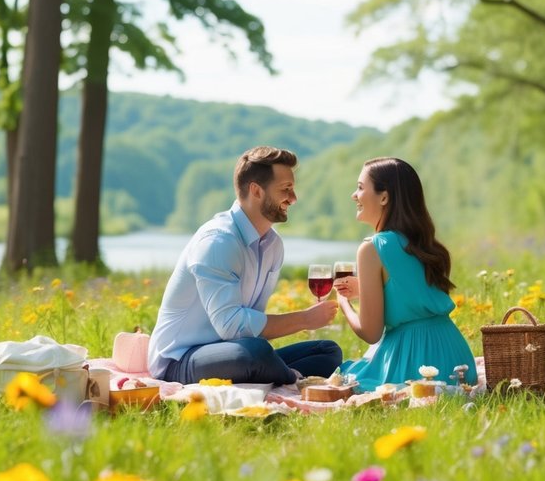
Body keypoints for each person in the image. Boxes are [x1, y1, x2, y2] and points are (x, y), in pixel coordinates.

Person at [148, 146, 343, 385]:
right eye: (286, 189)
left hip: (232, 351)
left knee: (327, 351)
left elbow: (252, 323)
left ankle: (273, 376)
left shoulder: (273, 246)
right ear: (256, 191)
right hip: (180, 361)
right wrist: (304, 319)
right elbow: (232, 326)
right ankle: (290, 379)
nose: (293, 198)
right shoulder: (218, 241)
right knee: (256, 352)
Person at [333, 156, 478, 392]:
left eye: (360, 188)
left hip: (413, 361)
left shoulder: (372, 248)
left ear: (384, 196)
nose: (354, 195)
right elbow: (410, 293)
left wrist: (344, 303)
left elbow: (371, 333)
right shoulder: (423, 244)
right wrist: (365, 289)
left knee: (347, 376)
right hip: (456, 359)